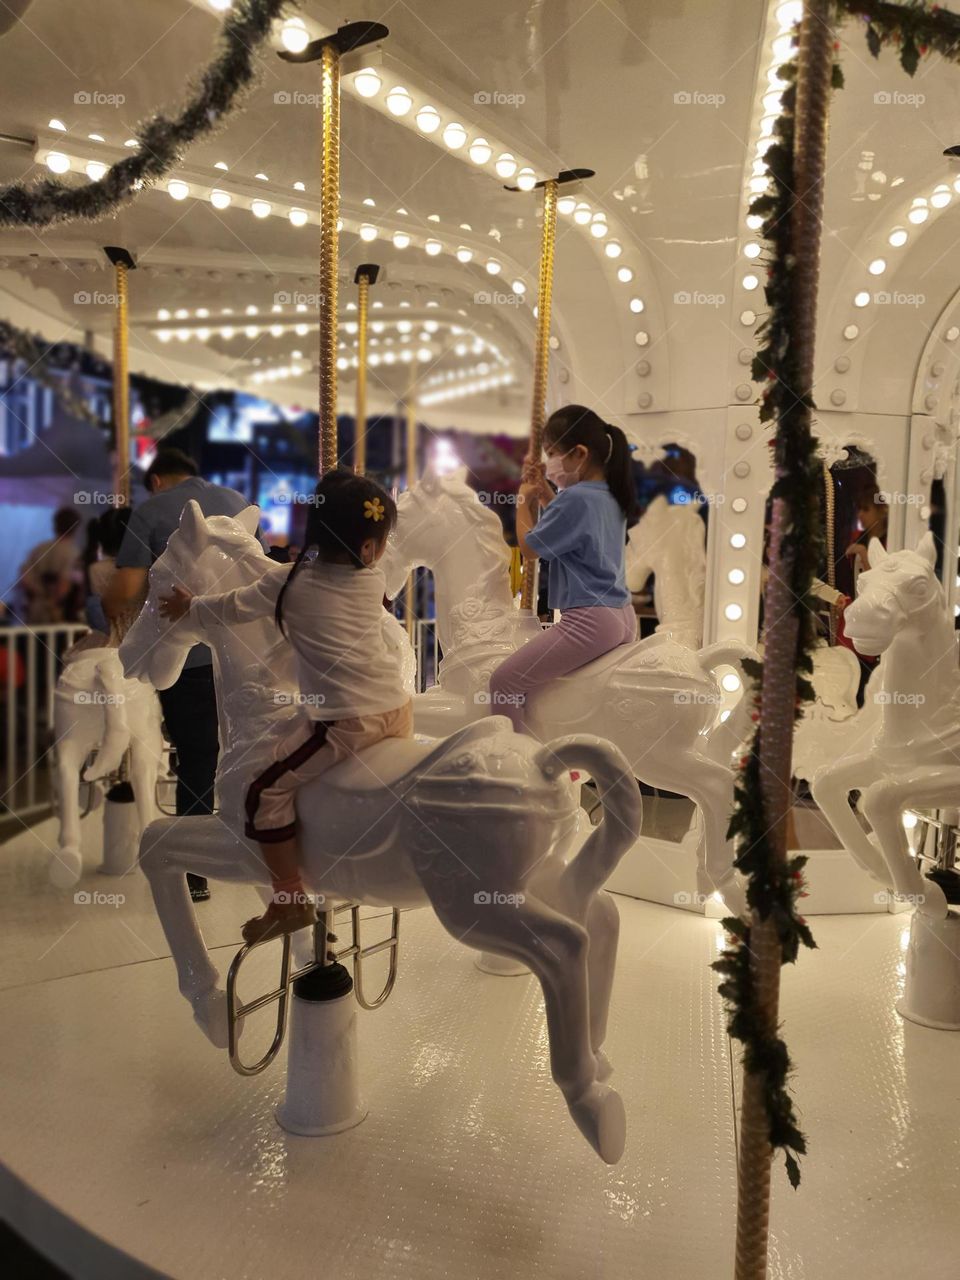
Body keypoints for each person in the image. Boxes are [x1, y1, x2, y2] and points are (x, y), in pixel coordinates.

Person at [157, 469, 412, 943]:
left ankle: (289, 897)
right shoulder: (372, 580)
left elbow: (232, 606)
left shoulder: (289, 585)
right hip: (398, 711)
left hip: (346, 721)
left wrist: (190, 608)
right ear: (374, 549)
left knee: (263, 794)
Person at [104, 448, 264, 902]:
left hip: (191, 661)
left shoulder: (152, 510)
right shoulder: (236, 500)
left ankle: (195, 869)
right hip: (248, 655)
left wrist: (110, 618)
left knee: (196, 755)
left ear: (156, 481)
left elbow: (129, 588)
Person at [489, 404, 638, 734]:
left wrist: (523, 501)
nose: (550, 462)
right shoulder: (608, 495)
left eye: (553, 452)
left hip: (590, 620)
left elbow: (530, 549)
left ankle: (515, 764)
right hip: (622, 616)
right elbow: (570, 523)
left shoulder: (578, 498)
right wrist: (544, 491)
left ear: (579, 453)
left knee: (503, 683)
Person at [17, 506, 81, 625]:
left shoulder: (39, 549)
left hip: (35, 609)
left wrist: (37, 592)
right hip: (58, 613)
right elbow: (64, 585)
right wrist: (54, 603)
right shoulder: (72, 553)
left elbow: (24, 577)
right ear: (76, 528)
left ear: (55, 524)